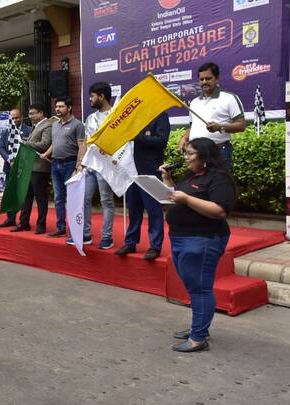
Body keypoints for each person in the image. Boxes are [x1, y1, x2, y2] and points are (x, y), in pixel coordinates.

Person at [160, 137, 236, 352]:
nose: (186, 158)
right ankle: (199, 327)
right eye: (185, 153)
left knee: (200, 288)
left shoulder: (218, 178)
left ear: (205, 156)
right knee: (193, 286)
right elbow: (177, 197)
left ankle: (198, 338)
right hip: (181, 237)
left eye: (190, 153)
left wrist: (187, 200)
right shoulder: (192, 176)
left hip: (203, 238)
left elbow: (220, 210)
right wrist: (167, 180)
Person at [115, 112, 170, 260]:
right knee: (134, 209)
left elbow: (162, 141)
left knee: (153, 210)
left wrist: (137, 137)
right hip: (131, 170)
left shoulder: (160, 115)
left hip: (150, 170)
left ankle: (155, 246)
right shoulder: (134, 117)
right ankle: (130, 242)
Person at [178, 62, 246, 168]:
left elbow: (241, 125)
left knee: (219, 184)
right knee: (198, 184)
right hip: (196, 155)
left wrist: (220, 127)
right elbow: (193, 126)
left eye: (208, 78)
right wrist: (184, 138)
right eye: (201, 79)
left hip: (218, 152)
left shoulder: (229, 98)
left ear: (217, 78)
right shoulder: (195, 102)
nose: (204, 82)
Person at [76, 84, 114, 249]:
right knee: (84, 200)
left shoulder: (115, 115)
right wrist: (80, 163)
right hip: (90, 166)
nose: (90, 99)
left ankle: (107, 237)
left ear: (102, 96)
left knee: (106, 201)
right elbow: (85, 142)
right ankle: (85, 234)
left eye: (92, 96)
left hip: (106, 166)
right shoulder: (90, 118)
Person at [41, 97, 84, 238]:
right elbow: (55, 143)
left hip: (70, 164)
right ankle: (60, 227)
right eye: (57, 107)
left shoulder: (78, 125)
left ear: (69, 108)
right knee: (58, 198)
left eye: (61, 106)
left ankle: (74, 230)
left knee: (72, 199)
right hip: (55, 164)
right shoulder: (55, 125)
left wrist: (79, 165)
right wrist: (46, 153)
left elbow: (82, 146)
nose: (58, 109)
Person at [10, 104, 53, 234]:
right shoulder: (36, 126)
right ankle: (24, 223)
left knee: (40, 198)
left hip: (40, 168)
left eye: (33, 113)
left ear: (41, 113)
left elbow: (45, 144)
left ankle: (41, 225)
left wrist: (25, 143)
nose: (31, 116)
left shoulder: (48, 125)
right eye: (29, 113)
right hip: (29, 166)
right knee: (26, 197)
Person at [0, 108, 32, 227]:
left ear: (21, 117)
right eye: (12, 118)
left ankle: (24, 221)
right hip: (9, 167)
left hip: (23, 168)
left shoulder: (29, 130)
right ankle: (10, 219)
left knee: (24, 194)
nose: (15, 120)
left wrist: (19, 161)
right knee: (10, 193)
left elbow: (30, 148)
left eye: (17, 117)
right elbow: (1, 147)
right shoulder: (5, 131)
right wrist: (9, 159)